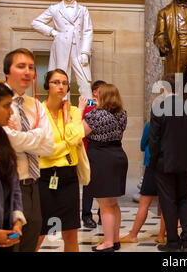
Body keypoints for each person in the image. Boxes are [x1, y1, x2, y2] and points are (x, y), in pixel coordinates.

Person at [2, 48, 54, 252]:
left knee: (30, 242)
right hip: (8, 186)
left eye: (31, 68)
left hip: (33, 184)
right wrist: (36, 135)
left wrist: (22, 138)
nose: (27, 72)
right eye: (21, 66)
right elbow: (6, 141)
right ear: (7, 71)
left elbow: (49, 144)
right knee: (11, 243)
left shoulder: (36, 105)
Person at [36, 69, 85, 252]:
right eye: (56, 82)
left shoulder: (72, 111)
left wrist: (67, 124)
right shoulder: (38, 111)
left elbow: (77, 138)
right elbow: (44, 149)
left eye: (64, 83)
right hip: (44, 176)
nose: (61, 86)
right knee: (40, 231)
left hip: (68, 177)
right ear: (47, 85)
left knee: (71, 232)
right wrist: (67, 141)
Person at [149, 73, 187, 252]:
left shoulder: (158, 107)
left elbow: (154, 139)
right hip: (185, 161)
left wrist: (153, 160)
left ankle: (172, 242)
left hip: (164, 162)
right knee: (184, 199)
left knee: (169, 202)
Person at [83, 84, 128, 252]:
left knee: (105, 204)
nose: (95, 96)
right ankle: (115, 240)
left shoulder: (95, 115)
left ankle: (108, 242)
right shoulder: (122, 114)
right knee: (113, 203)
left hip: (102, 158)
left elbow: (79, 132)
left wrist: (82, 109)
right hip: (118, 155)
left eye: (98, 94)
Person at [32, 0, 93, 98]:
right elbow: (35, 22)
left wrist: (85, 52)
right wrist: (53, 32)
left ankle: (90, 109)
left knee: (85, 81)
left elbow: (87, 31)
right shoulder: (54, 9)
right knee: (61, 79)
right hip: (61, 47)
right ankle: (63, 107)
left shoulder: (83, 9)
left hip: (78, 48)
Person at [0, 82, 26, 252]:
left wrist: (17, 221)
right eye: (6, 106)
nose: (10, 112)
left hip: (5, 234)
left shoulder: (1, 137)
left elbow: (14, 184)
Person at [119, 122, 166, 244]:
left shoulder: (151, 125)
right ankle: (161, 235)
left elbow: (142, 145)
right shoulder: (175, 123)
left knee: (144, 203)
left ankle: (133, 234)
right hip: (168, 165)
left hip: (152, 164)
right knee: (166, 204)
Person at [79, 80, 107, 229]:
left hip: (103, 150)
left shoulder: (109, 106)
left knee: (104, 183)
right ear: (95, 91)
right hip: (88, 148)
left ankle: (104, 213)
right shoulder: (88, 106)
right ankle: (87, 215)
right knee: (88, 184)